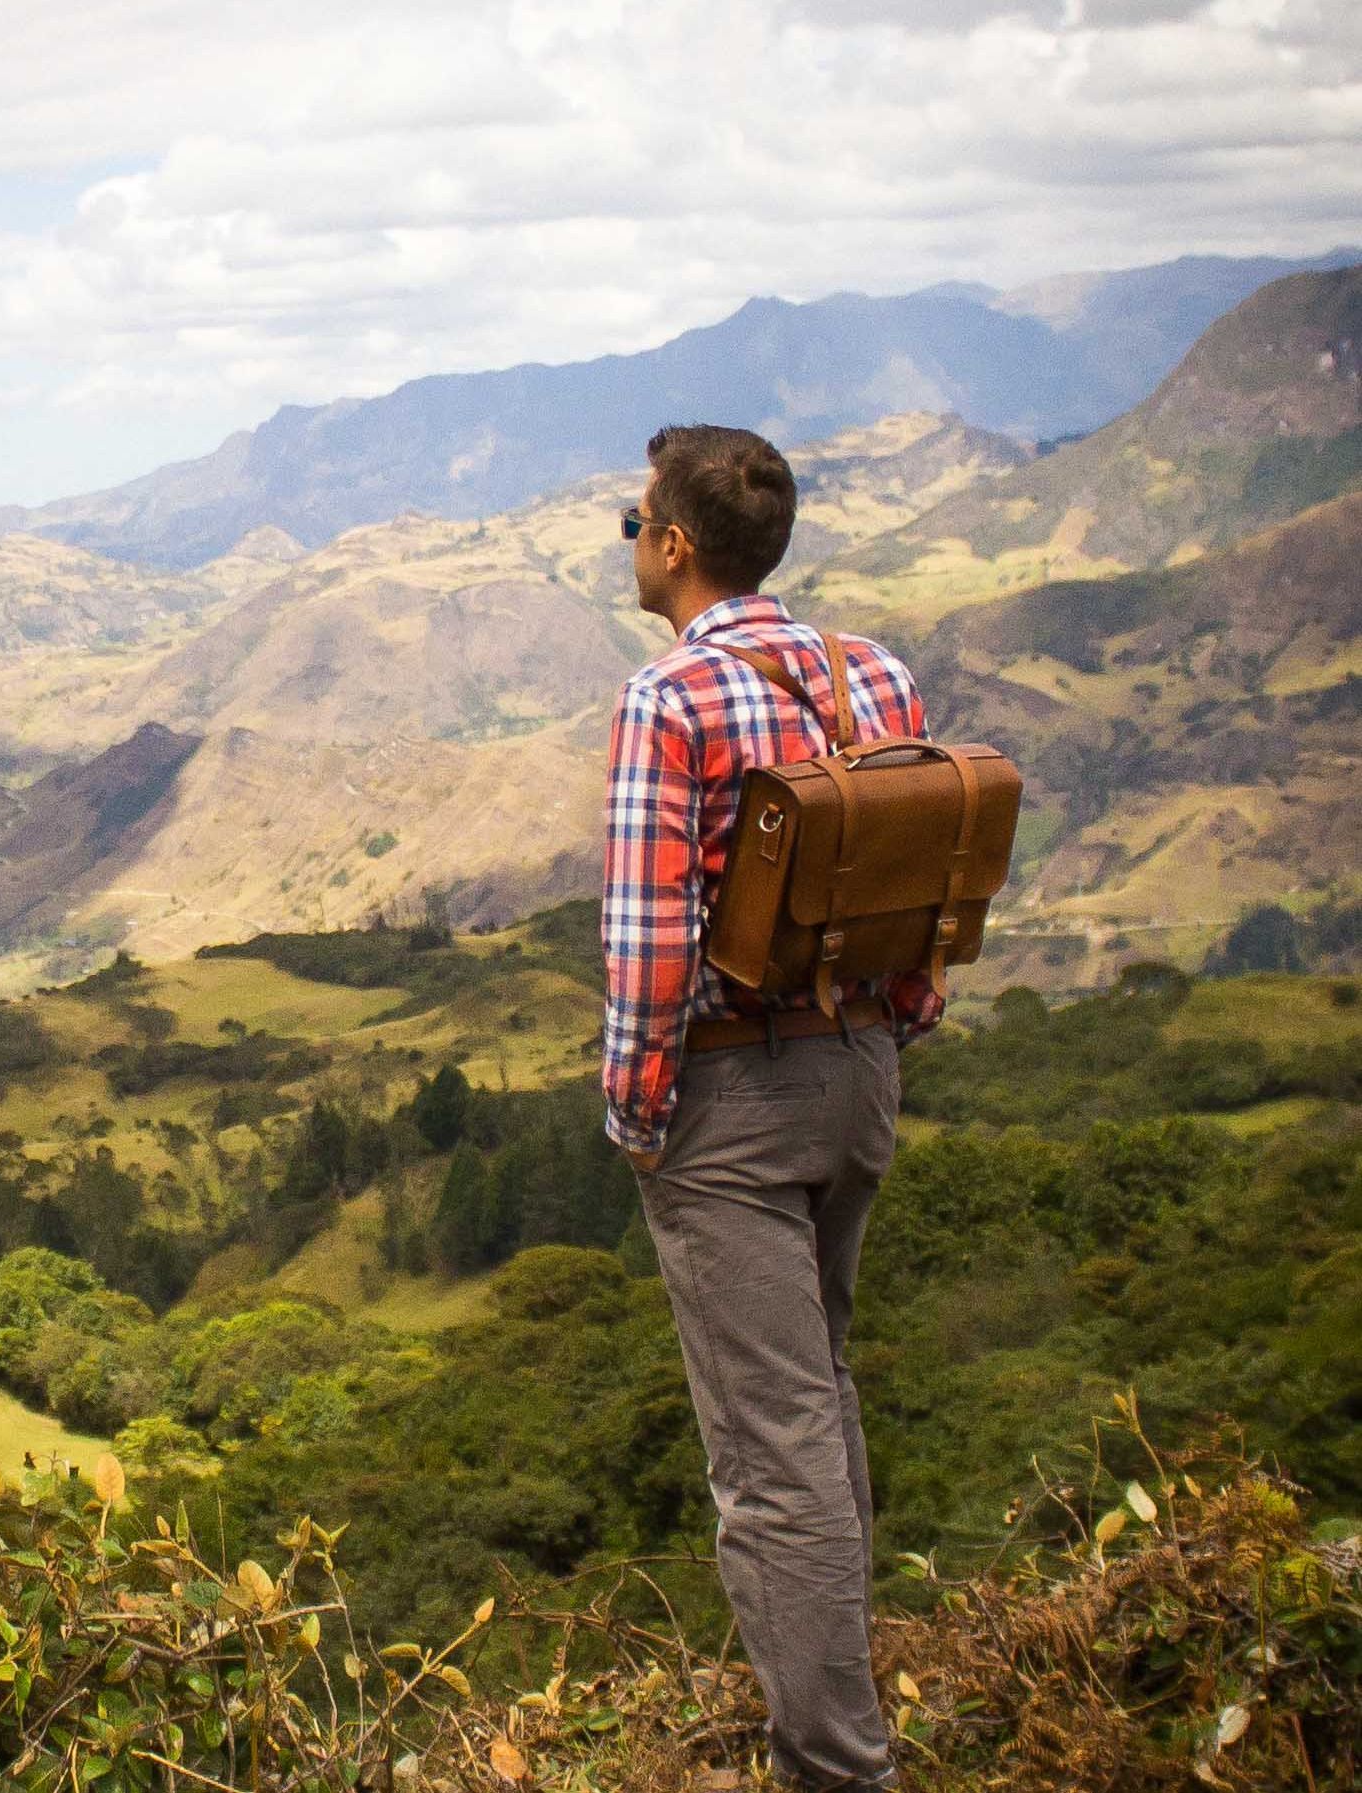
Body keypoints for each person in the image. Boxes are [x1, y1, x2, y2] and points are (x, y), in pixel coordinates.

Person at [601, 423, 942, 1791]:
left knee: (768, 1452)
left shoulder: (669, 699)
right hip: (858, 1072)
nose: (632, 545)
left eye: (636, 524)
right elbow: (924, 875)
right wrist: (891, 1026)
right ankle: (846, 1710)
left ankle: (837, 1766)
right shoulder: (876, 675)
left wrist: (641, 1119)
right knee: (820, 1397)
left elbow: (649, 944)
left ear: (677, 545)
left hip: (731, 1102)